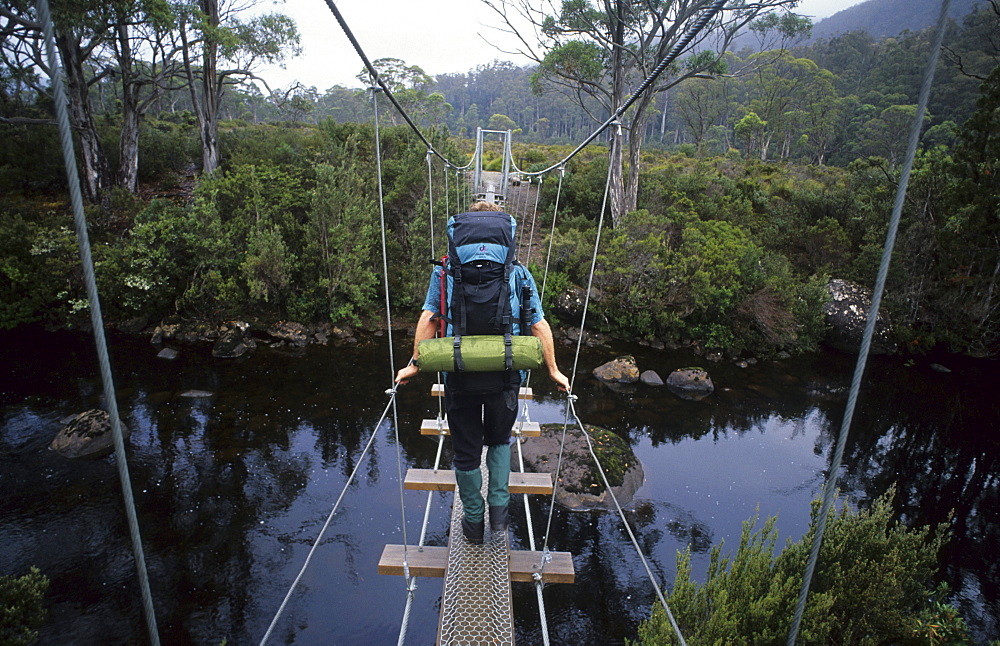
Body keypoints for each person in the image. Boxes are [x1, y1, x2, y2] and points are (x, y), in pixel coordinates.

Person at [395, 200, 570, 545]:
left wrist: (414, 364)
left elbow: (429, 319)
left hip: (458, 378)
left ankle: (473, 525)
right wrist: (553, 369)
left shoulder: (445, 271)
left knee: (465, 452)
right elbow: (538, 324)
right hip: (505, 379)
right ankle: (500, 519)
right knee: (499, 441)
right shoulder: (516, 272)